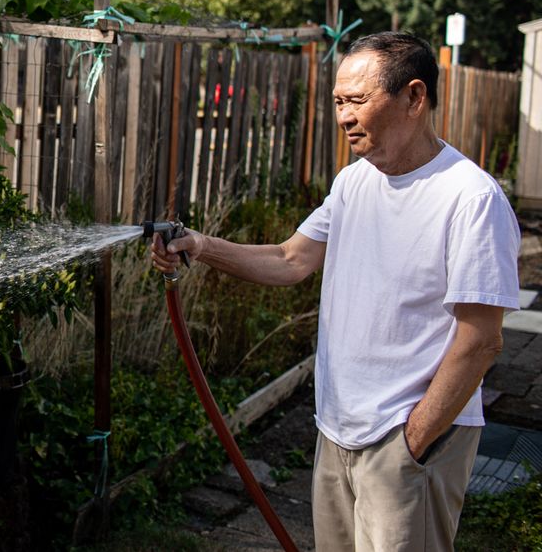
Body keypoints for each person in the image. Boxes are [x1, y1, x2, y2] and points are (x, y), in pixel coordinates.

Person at [151, 31, 520, 552]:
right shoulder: (355, 181)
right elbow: (290, 258)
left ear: (414, 97)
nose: (344, 116)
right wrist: (202, 245)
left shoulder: (470, 198)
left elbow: (481, 340)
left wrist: (412, 443)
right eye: (338, 102)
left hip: (409, 441)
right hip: (338, 430)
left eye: (358, 101)